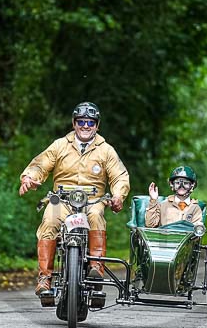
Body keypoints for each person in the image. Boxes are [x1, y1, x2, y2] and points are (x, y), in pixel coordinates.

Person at [19, 102, 130, 306]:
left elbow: (120, 176)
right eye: (81, 122)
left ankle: (96, 267)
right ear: (74, 123)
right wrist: (29, 177)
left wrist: (118, 196)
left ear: (97, 125)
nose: (85, 126)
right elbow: (41, 164)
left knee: (97, 216)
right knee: (49, 219)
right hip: (61, 199)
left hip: (93, 200)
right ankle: (45, 277)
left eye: (90, 122)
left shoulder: (106, 150)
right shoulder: (60, 145)